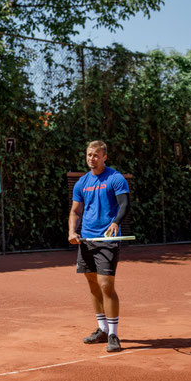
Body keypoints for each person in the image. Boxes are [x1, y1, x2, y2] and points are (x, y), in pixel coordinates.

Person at [68, 140, 130, 353]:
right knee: (93, 285)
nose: (91, 158)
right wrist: (72, 232)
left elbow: (124, 204)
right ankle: (102, 330)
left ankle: (113, 334)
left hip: (107, 240)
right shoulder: (82, 183)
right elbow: (75, 212)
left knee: (106, 286)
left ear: (104, 157)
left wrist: (115, 223)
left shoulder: (115, 178)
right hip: (86, 240)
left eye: (95, 155)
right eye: (88, 155)